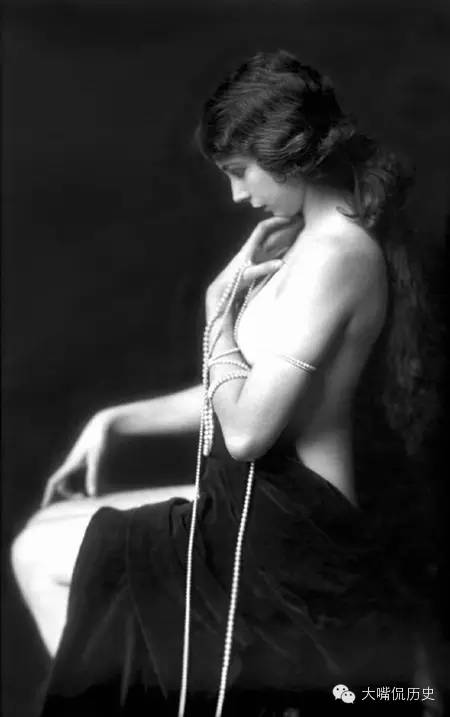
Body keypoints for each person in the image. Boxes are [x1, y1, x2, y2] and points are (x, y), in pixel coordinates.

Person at [11, 49, 444, 715]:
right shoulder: (302, 243)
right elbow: (241, 387)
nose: (239, 195)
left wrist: (218, 309)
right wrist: (115, 421)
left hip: (289, 539)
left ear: (289, 155)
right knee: (44, 533)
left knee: (42, 553)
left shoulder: (339, 255)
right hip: (248, 505)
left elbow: (244, 431)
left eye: (241, 172)